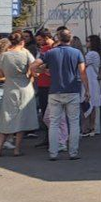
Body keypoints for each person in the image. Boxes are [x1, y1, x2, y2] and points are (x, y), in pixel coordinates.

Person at [31, 28, 88, 161]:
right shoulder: (77, 53)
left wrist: (44, 70)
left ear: (58, 38)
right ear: (70, 39)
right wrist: (87, 90)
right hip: (73, 90)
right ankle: (73, 152)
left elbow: (34, 66)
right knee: (74, 123)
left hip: (55, 91)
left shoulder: (50, 52)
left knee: (54, 123)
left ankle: (53, 152)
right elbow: (83, 73)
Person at [0, 32, 39, 157]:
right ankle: (17, 149)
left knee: (6, 117)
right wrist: (30, 75)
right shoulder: (26, 53)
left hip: (9, 87)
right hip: (24, 87)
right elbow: (35, 69)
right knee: (21, 119)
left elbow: (0, 73)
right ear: (22, 42)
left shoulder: (4, 55)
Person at [83, 35, 101, 136]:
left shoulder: (92, 54)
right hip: (93, 81)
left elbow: (82, 64)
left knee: (91, 105)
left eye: (88, 41)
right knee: (93, 104)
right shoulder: (97, 54)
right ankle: (93, 127)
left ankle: (91, 127)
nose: (86, 43)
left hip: (91, 82)